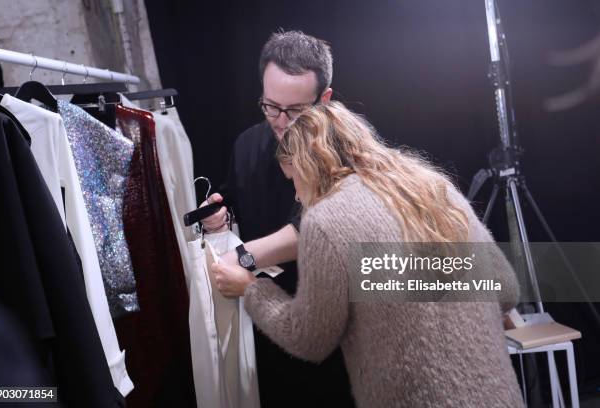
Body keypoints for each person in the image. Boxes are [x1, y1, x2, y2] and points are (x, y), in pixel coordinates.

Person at [211, 101, 525, 407]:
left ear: (309, 166)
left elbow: (309, 338)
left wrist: (250, 289)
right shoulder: (432, 187)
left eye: (294, 179)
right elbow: (506, 289)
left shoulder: (326, 220)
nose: (296, 194)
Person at [201, 31, 355, 406]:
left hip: (335, 330)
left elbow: (317, 229)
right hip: (266, 323)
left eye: (297, 111)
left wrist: (245, 258)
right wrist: (219, 216)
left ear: (326, 99)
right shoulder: (248, 144)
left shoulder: (349, 146)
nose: (282, 121)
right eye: (271, 107)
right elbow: (237, 197)